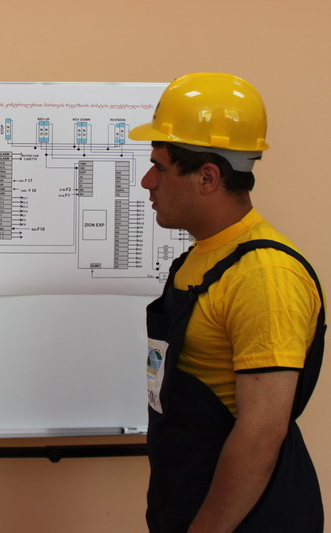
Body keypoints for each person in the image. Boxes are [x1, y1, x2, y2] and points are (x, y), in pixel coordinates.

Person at [129, 73, 325, 532]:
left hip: (249, 520)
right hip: (188, 499)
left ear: (208, 177)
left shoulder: (264, 276)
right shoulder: (199, 259)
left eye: (160, 166)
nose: (147, 181)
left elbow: (261, 434)